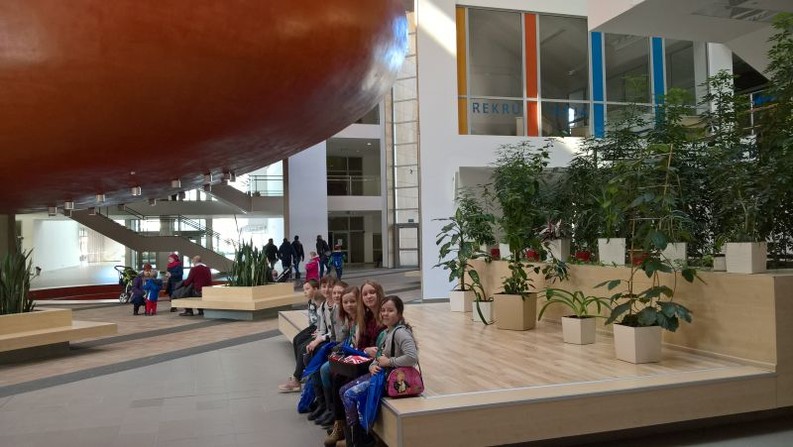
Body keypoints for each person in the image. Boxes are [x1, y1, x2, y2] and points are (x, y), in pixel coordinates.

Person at [340, 295, 418, 447]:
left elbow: (412, 357)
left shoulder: (401, 332)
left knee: (349, 395)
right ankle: (355, 438)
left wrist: (389, 362)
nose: (385, 314)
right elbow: (379, 356)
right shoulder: (387, 332)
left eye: (390, 310)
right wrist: (372, 365)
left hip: (393, 380)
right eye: (383, 310)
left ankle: (360, 440)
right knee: (343, 390)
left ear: (399, 313)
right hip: (382, 375)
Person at [325, 280, 386, 446]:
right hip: (367, 361)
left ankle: (355, 438)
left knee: (345, 388)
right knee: (336, 375)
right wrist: (365, 350)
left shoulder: (385, 314)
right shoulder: (366, 317)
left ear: (379, 293)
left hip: (379, 366)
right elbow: (362, 346)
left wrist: (370, 352)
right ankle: (342, 428)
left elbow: (384, 348)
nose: (369, 296)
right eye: (365, 294)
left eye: (372, 292)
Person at [278, 279, 324, 393]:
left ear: (316, 289)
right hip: (314, 327)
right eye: (304, 289)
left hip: (319, 329)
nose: (305, 292)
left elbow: (322, 320)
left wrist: (319, 331)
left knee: (304, 347)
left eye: (307, 289)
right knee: (297, 339)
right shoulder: (311, 301)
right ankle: (300, 371)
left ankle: (296, 379)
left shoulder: (320, 302)